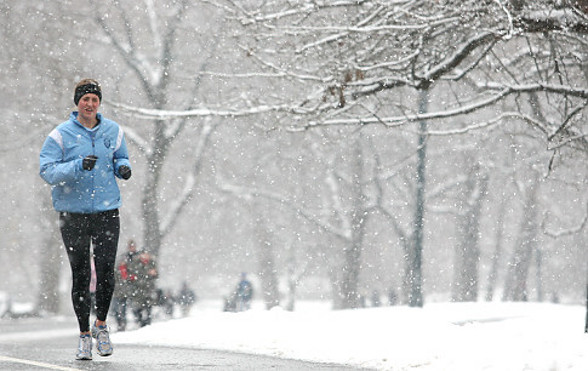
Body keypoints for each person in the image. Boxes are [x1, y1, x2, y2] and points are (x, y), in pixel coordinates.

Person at [39, 78, 132, 360]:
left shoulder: (113, 131)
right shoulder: (60, 135)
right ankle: (83, 336)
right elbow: (47, 171)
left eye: (94, 99)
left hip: (106, 211)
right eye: (85, 99)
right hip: (73, 214)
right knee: (81, 275)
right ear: (77, 102)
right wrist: (77, 166)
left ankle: (101, 326)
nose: (90, 104)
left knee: (105, 272)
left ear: (99, 103)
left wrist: (123, 167)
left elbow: (120, 157)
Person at [111, 239, 139, 331]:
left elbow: (139, 272)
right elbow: (116, 272)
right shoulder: (123, 258)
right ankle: (121, 323)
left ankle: (137, 322)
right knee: (119, 308)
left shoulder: (138, 258)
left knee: (135, 307)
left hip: (134, 288)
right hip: (121, 289)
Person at [127, 250, 158, 327]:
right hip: (138, 289)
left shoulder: (152, 263)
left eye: (146, 254)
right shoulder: (135, 263)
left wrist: (154, 274)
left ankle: (148, 321)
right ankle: (140, 321)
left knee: (148, 306)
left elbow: (156, 275)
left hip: (149, 288)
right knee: (138, 306)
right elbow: (132, 274)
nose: (145, 256)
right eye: (143, 254)